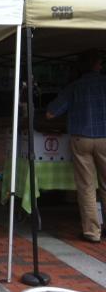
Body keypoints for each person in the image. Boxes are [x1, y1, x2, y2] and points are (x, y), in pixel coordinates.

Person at [47, 50, 106, 243]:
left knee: (86, 186)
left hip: (81, 137)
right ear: (98, 65)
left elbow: (50, 113)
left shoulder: (74, 87)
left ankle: (92, 232)